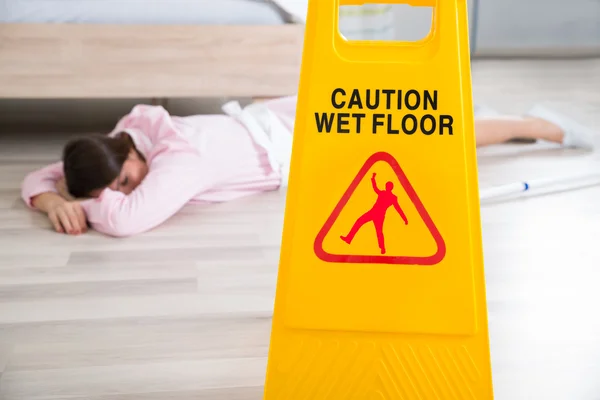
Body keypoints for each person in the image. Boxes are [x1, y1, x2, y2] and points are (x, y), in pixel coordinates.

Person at [21, 96, 596, 237]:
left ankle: (542, 125)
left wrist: (87, 204)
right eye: (114, 188)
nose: (130, 187)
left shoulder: (178, 162)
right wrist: (52, 198)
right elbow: (44, 175)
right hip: (283, 123)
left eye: (123, 180)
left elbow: (128, 221)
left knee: (435, 137)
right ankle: (531, 122)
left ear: (126, 154)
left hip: (305, 138)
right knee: (431, 131)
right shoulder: (135, 134)